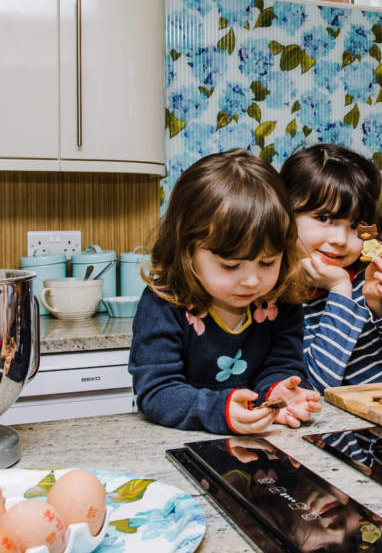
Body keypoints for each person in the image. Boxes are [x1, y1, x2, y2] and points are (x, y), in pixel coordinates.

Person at [129, 149, 321, 434]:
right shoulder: (163, 304)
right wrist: (220, 411)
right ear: (187, 251)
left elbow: (282, 365)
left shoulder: (279, 301)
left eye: (268, 262)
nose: (252, 281)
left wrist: (279, 393)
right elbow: (157, 392)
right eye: (231, 265)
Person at [279, 143, 382, 391]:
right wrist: (339, 290)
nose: (340, 240)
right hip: (336, 427)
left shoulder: (367, 271)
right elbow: (315, 387)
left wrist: (380, 305)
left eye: (355, 225)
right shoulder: (277, 293)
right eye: (324, 218)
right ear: (284, 214)